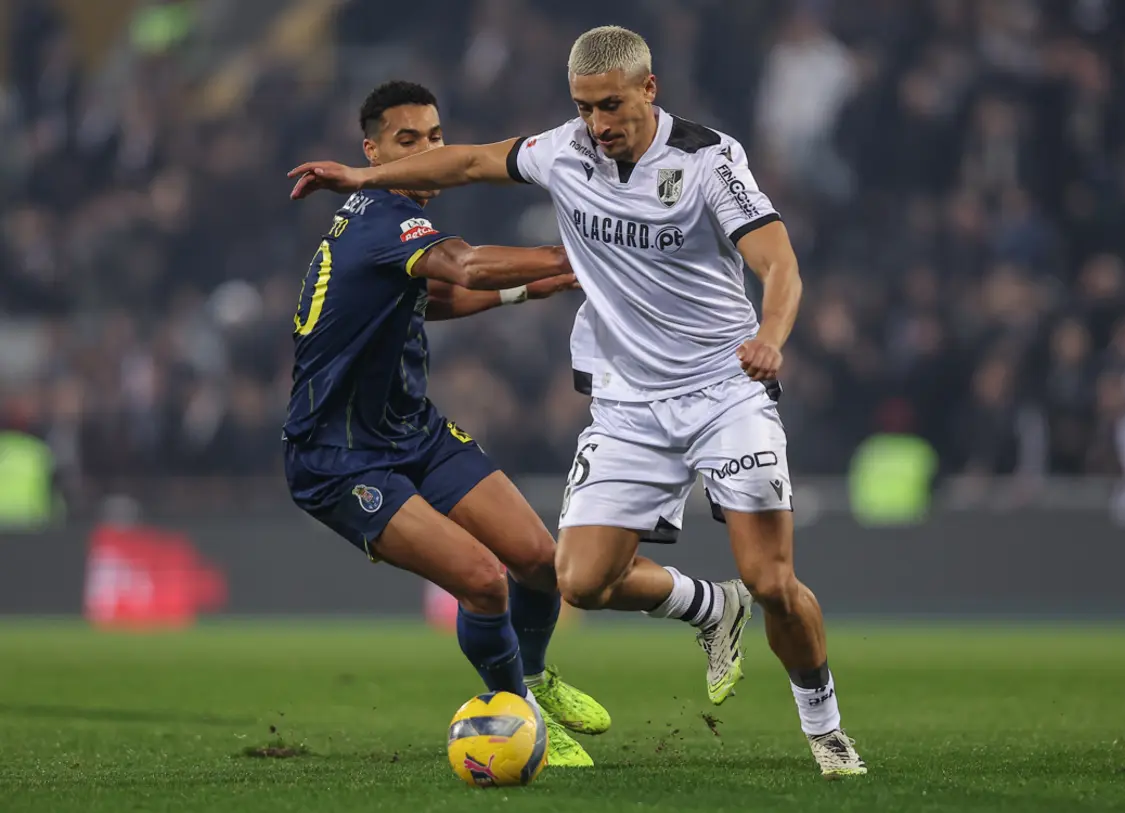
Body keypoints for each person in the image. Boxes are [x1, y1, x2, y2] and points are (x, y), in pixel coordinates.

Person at [289, 29, 866, 778]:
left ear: (649, 89)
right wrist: (365, 180)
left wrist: (772, 337)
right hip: (620, 405)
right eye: (584, 108)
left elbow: (779, 263)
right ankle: (697, 613)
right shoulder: (559, 152)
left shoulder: (708, 160)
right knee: (576, 579)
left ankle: (825, 729)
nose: (596, 124)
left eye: (610, 106)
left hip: (724, 389)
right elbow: (469, 176)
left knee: (771, 581)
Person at [282, 80, 607, 768]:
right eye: (408, 140)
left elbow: (430, 298)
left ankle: (535, 677)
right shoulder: (381, 216)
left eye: (435, 137)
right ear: (372, 152)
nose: (429, 151)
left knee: (539, 560)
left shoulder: (380, 222)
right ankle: (517, 711)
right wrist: (575, 257)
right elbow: (463, 265)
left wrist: (534, 287)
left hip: (412, 430)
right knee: (484, 580)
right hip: (341, 456)